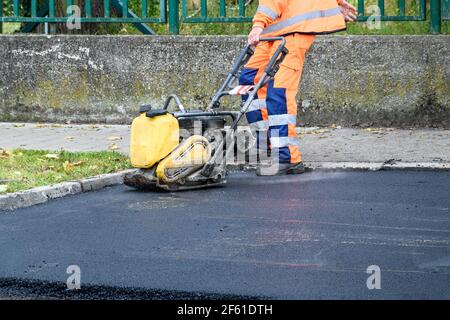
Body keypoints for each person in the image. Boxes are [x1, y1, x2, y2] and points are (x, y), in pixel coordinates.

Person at [240, 0, 357, 176]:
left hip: (293, 31)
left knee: (279, 91)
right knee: (249, 80)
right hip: (275, 30)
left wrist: (258, 24)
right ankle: (268, 144)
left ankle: (287, 158)